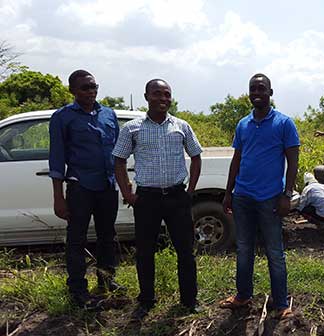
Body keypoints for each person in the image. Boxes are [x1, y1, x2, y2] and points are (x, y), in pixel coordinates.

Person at [112, 79, 202, 319]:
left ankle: (189, 300)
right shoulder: (132, 128)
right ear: (146, 96)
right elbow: (119, 160)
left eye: (167, 94)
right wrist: (128, 192)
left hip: (176, 197)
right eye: (157, 94)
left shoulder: (181, 126)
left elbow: (196, 156)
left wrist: (190, 191)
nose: (162, 98)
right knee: (144, 251)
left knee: (185, 251)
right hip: (147, 199)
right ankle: (146, 300)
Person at [219, 73, 300, 319]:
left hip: (269, 198)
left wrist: (287, 194)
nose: (256, 92)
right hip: (243, 196)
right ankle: (243, 296)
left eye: (261, 88)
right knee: (243, 248)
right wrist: (228, 192)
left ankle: (281, 302)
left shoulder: (284, 123)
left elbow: (293, 160)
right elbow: (237, 159)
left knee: (274, 251)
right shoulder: (243, 124)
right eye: (253, 88)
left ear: (270, 92)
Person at [49, 69, 123, 307]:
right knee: (76, 239)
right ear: (72, 90)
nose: (91, 92)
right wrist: (58, 197)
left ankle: (106, 281)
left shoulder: (109, 115)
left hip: (107, 186)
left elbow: (119, 155)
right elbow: (57, 158)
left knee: (107, 236)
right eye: (85, 88)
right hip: (80, 186)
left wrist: (125, 185)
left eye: (94, 87)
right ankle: (77, 289)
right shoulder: (63, 117)